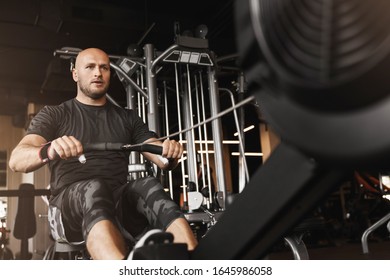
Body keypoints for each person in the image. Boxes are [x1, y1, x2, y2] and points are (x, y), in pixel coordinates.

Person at [8, 47, 198, 260]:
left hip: (117, 203)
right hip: (68, 208)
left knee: (148, 184)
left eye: (104, 68)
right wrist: (49, 149)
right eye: (90, 67)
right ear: (75, 74)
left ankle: (193, 264)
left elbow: (161, 158)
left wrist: (170, 154)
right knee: (95, 187)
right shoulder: (55, 114)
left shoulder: (127, 118)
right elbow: (17, 160)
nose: (98, 73)